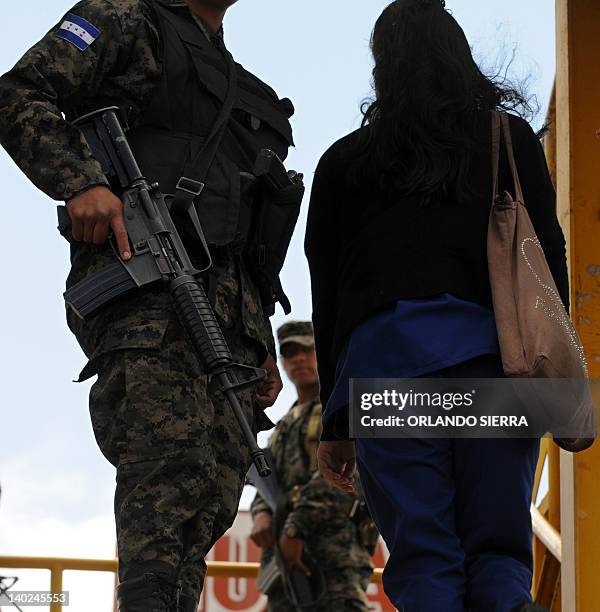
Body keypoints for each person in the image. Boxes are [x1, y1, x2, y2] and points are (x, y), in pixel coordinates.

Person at [0, 1, 297, 610]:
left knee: (210, 495)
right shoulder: (127, 16)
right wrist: (81, 180)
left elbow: (242, 230)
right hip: (150, 293)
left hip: (230, 319)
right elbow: (19, 94)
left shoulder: (230, 75)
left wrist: (261, 334)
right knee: (163, 482)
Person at [305, 1, 565, 611]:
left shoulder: (345, 163)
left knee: (423, 552)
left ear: (382, 65)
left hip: (387, 372)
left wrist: (337, 421)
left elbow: (329, 298)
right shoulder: (506, 140)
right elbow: (545, 258)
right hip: (494, 366)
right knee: (499, 548)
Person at [250, 321, 378, 611]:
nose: (299, 360)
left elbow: (340, 478)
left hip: (333, 554)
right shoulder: (283, 426)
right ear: (281, 362)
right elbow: (266, 481)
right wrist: (261, 515)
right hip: (287, 568)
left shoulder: (339, 415)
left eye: (308, 351)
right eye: (291, 353)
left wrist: (294, 530)